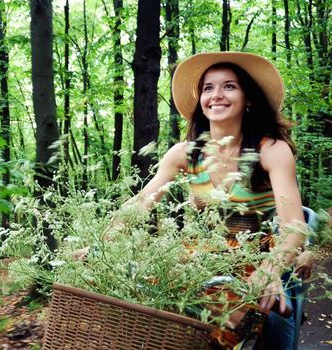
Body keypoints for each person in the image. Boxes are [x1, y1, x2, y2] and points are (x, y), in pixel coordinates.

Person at [94, 52, 313, 349]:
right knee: (154, 308)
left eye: (229, 86)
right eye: (208, 88)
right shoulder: (184, 153)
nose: (216, 95)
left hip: (258, 260)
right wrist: (101, 243)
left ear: (248, 98)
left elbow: (295, 227)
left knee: (271, 321)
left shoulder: (271, 150)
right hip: (201, 258)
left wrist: (271, 269)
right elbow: (142, 201)